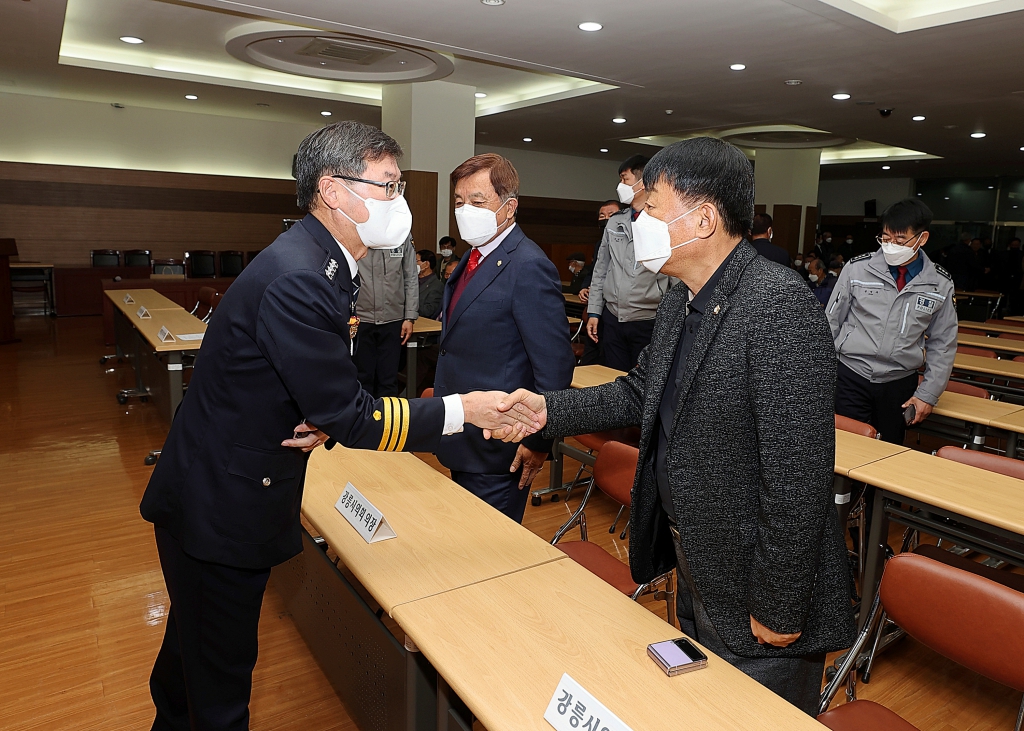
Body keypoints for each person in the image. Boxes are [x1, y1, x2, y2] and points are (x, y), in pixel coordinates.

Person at [138, 121, 530, 731]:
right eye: (389, 187)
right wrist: (464, 411)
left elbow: (303, 386)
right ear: (333, 191)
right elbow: (354, 415)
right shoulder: (302, 274)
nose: (399, 204)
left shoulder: (314, 260)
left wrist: (319, 410)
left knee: (191, 660)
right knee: (218, 686)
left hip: (214, 487)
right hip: (221, 505)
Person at [496, 137, 855, 714]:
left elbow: (797, 477)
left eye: (651, 208)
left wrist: (782, 604)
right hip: (697, 555)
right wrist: (544, 411)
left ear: (705, 217)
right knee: (704, 708)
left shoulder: (777, 305)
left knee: (753, 717)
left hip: (756, 579)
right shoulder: (681, 298)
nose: (637, 222)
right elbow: (643, 392)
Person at [434, 153, 575, 522]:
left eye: (477, 202)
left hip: (502, 444)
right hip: (463, 434)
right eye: (460, 202)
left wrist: (537, 440)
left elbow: (555, 367)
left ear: (509, 207)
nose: (466, 211)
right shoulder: (471, 258)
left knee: (488, 556)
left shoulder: (529, 265)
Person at [827, 198, 957, 445]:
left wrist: (928, 395)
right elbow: (830, 324)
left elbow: (943, 344)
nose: (891, 246)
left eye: (900, 240)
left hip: (898, 382)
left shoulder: (939, 283)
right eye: (886, 238)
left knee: (887, 452)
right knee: (844, 447)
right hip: (851, 374)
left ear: (922, 238)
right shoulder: (857, 269)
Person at [587, 155, 676, 370]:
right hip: (613, 317)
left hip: (648, 319)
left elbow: (676, 277)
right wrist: (594, 312)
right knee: (612, 378)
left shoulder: (663, 223)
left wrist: (673, 321)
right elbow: (601, 270)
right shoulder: (616, 221)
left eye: (625, 180)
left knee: (644, 383)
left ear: (643, 183)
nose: (620, 186)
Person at [353, 233, 418, 398]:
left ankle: (388, 422)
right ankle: (364, 422)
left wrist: (409, 317)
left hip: (394, 318)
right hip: (361, 318)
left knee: (388, 379)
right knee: (362, 377)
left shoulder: (401, 234)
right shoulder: (355, 231)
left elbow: (410, 277)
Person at [416, 249, 444, 319]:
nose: (413, 263)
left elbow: (428, 311)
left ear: (426, 264)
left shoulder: (437, 285)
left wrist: (408, 305)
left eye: (416, 261)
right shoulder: (412, 280)